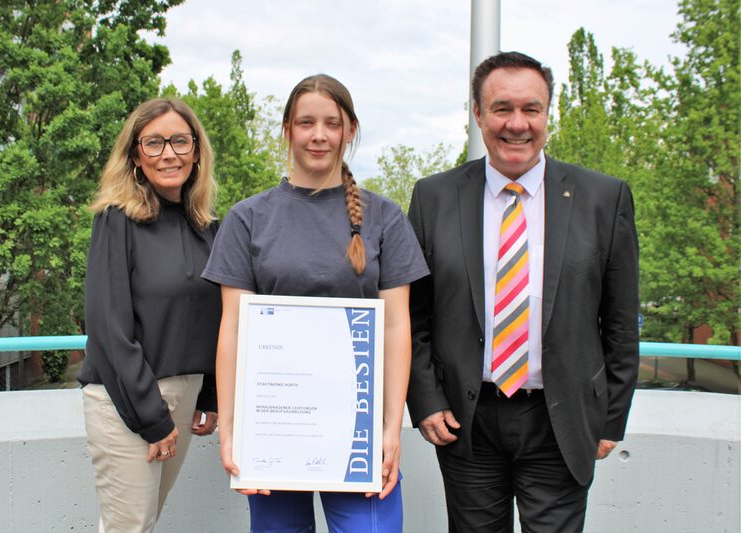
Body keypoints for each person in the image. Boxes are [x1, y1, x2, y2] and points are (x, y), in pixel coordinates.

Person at [407, 51, 639, 532]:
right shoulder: (433, 197)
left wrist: (610, 417)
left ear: (547, 113)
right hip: (466, 423)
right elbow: (415, 316)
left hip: (562, 422)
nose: (518, 124)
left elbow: (620, 320)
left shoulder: (604, 198)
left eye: (531, 109)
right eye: (502, 109)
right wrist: (426, 400)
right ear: (477, 114)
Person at [202, 74, 429, 532]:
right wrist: (232, 429)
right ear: (288, 129)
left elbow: (395, 329)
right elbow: (233, 331)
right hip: (274, 431)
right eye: (306, 122)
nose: (319, 135)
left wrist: (389, 430)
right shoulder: (248, 218)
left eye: (332, 123)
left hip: (360, 434)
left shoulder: (384, 217)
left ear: (350, 130)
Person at [79, 97, 222, 533]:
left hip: (183, 397)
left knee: (143, 523)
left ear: (196, 150)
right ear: (136, 155)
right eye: (154, 143)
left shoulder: (209, 228)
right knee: (130, 527)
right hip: (127, 401)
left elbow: (215, 319)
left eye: (180, 141)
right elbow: (108, 326)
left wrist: (210, 395)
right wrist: (151, 415)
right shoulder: (116, 220)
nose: (169, 154)